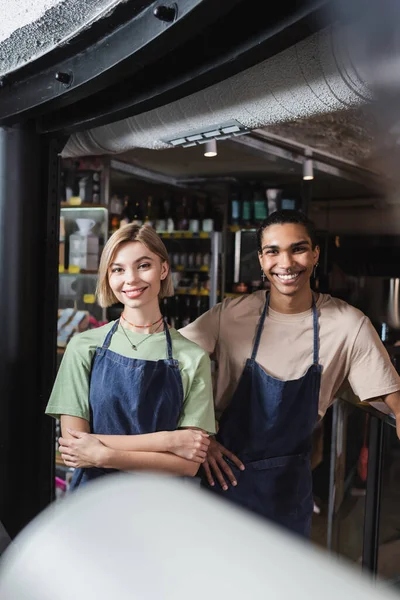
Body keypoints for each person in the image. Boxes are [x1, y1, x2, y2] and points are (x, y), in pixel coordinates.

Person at [180, 210, 400, 537]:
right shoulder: (230, 314)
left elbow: (392, 398)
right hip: (222, 478)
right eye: (273, 251)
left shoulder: (347, 324)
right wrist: (199, 432)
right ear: (261, 259)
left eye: (298, 249)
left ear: (315, 255)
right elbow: (170, 366)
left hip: (287, 490)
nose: (286, 262)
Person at [46, 224, 215, 488]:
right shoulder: (83, 346)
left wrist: (105, 454)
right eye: (118, 269)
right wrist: (168, 441)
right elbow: (74, 447)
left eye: (143, 265)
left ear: (164, 269)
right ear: (108, 276)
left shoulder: (192, 356)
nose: (131, 279)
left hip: (161, 506)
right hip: (93, 504)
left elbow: (189, 463)